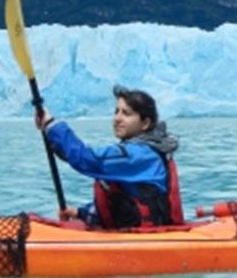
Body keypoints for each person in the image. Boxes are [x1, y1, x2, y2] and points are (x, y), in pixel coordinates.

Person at [34, 85, 184, 228]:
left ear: (145, 123)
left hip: (141, 240)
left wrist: (51, 125)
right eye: (116, 111)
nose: (117, 118)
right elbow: (125, 201)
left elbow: (88, 160)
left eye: (126, 113)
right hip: (131, 233)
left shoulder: (139, 155)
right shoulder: (143, 151)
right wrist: (80, 213)